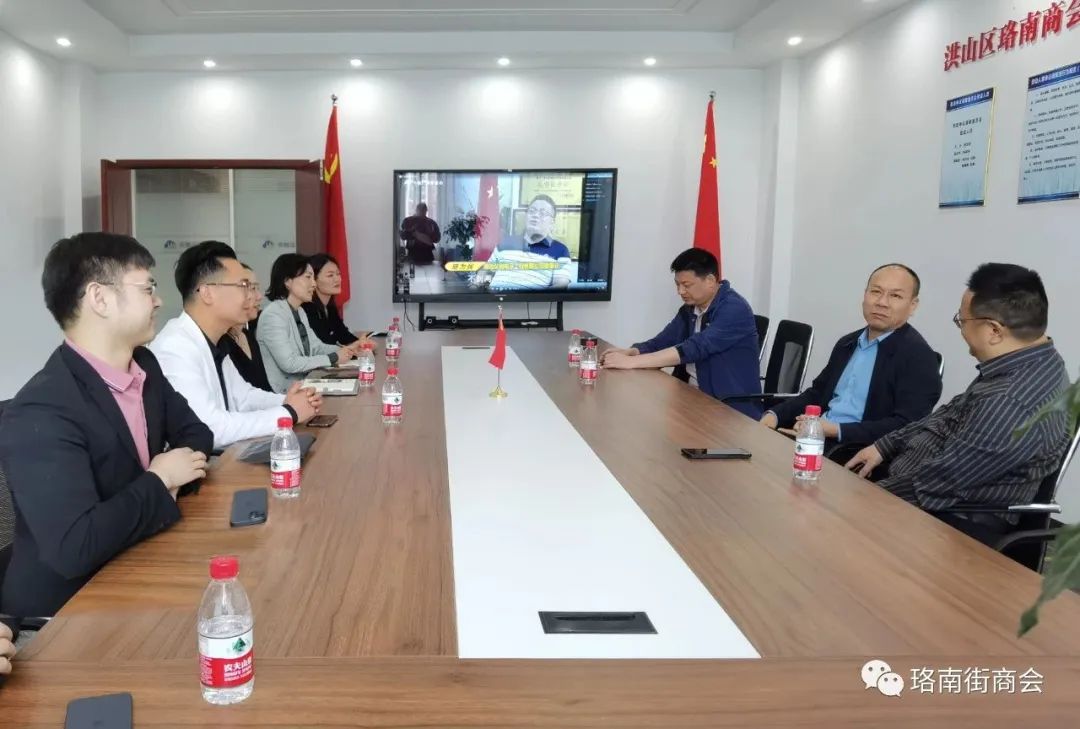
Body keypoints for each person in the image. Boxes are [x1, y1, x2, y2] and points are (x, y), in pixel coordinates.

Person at [0, 233, 213, 618]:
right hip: (67, 611)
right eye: (147, 287)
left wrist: (165, 483)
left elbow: (197, 434)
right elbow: (75, 547)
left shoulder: (143, 364)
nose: (158, 300)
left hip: (140, 559)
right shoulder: (41, 410)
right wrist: (161, 479)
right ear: (99, 298)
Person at [846, 263, 1070, 542]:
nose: (961, 330)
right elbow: (951, 412)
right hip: (918, 488)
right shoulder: (1028, 359)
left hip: (948, 523)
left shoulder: (1011, 402)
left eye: (962, 321)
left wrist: (863, 500)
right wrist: (885, 445)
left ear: (994, 331)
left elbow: (936, 484)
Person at [150, 242, 322, 450]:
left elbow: (244, 397)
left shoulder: (216, 340)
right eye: (243, 286)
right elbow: (209, 428)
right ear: (207, 293)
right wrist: (290, 412)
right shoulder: (175, 347)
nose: (254, 295)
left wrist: (287, 400)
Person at [761, 264, 942, 454]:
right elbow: (817, 393)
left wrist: (835, 430)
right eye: (876, 292)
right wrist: (775, 415)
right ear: (865, 295)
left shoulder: (919, 358)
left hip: (855, 452)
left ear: (913, 305)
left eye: (895, 296)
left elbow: (908, 426)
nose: (882, 302)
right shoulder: (848, 343)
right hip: (817, 439)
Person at [601, 248, 762, 418]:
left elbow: (695, 348)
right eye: (677, 285)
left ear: (710, 280)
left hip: (728, 409)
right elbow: (663, 341)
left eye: (686, 285)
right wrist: (632, 352)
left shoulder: (734, 309)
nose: (680, 292)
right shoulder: (690, 309)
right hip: (690, 396)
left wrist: (631, 363)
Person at [258, 254, 360, 393]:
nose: (313, 284)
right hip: (285, 393)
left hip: (306, 383)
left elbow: (316, 347)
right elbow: (290, 363)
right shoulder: (273, 315)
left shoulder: (299, 311)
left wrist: (346, 350)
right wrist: (333, 357)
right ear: (288, 281)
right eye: (308, 277)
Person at [472, 194, 573, 290]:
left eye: (543, 213)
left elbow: (560, 285)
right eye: (532, 211)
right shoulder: (506, 242)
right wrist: (474, 290)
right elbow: (485, 271)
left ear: (552, 222)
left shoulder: (560, 250)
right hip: (496, 299)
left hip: (532, 301)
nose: (535, 215)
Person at [223, 262, 273, 392]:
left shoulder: (247, 335)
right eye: (250, 288)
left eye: (256, 288)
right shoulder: (222, 344)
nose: (258, 296)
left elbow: (263, 387)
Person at [303, 253, 371, 347]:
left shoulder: (330, 308)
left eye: (338, 274)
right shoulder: (308, 309)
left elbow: (345, 337)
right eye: (330, 275)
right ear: (313, 280)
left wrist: (363, 342)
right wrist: (356, 346)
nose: (337, 279)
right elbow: (324, 346)